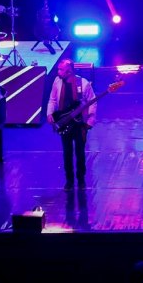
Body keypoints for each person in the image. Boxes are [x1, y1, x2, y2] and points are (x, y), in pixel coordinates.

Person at [47, 59, 97, 189]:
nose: (58, 72)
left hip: (79, 125)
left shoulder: (83, 83)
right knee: (67, 152)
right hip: (64, 122)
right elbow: (52, 99)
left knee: (80, 152)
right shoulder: (57, 81)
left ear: (69, 71)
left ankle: (81, 179)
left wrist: (90, 122)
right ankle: (69, 180)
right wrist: (50, 113)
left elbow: (92, 102)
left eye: (61, 70)